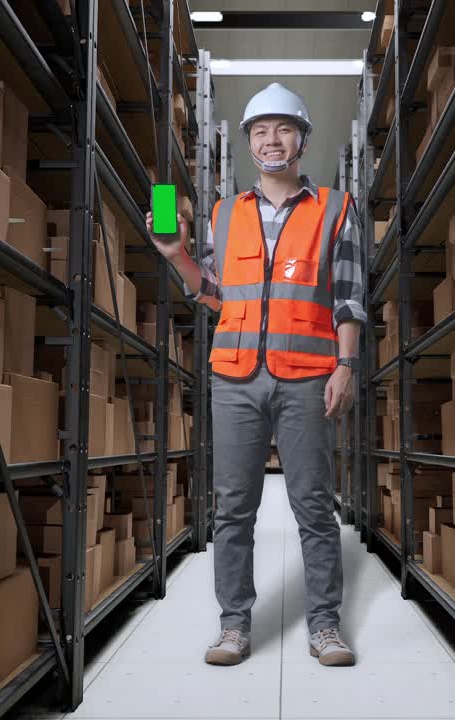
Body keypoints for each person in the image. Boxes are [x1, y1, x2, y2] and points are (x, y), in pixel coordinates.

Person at [147, 83, 365, 667]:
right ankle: (233, 625)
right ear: (249, 144)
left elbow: (348, 297)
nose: (272, 140)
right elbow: (212, 294)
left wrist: (346, 365)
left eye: (284, 129)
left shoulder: (335, 208)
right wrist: (176, 255)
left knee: (314, 506)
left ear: (302, 140)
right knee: (233, 506)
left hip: (306, 375)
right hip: (236, 377)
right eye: (261, 131)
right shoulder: (223, 213)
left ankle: (325, 626)